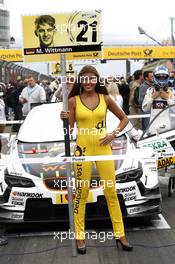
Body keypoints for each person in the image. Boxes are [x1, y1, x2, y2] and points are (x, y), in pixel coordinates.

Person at [61, 65, 133, 254]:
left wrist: (112, 134)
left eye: (91, 78)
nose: (88, 82)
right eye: (84, 79)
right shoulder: (73, 100)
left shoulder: (106, 98)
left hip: (103, 149)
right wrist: (63, 118)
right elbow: (68, 132)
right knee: (81, 193)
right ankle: (79, 236)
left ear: (97, 80)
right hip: (82, 151)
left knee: (110, 190)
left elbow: (124, 119)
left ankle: (120, 234)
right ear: (80, 80)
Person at [142, 66, 175, 134]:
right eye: (159, 77)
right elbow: (145, 109)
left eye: (163, 77)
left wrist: (168, 99)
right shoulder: (150, 91)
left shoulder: (171, 91)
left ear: (167, 77)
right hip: (153, 126)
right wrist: (152, 98)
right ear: (155, 77)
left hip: (167, 127)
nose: (161, 79)